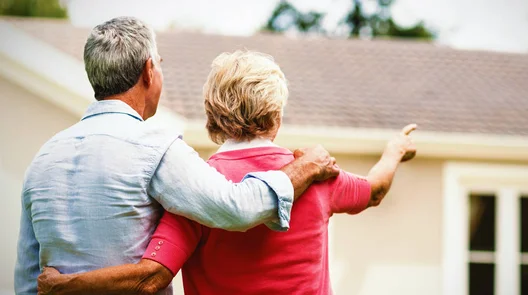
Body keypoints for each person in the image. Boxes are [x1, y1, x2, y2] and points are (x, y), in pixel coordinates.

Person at [37, 50, 417, 294]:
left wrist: (65, 284)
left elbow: (149, 277)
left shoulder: (196, 188)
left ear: (212, 114)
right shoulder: (318, 173)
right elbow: (377, 189)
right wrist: (395, 149)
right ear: (277, 113)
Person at [15, 18, 339, 295]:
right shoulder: (154, 147)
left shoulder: (44, 157)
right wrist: (305, 168)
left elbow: (30, 279)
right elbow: (238, 208)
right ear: (148, 71)